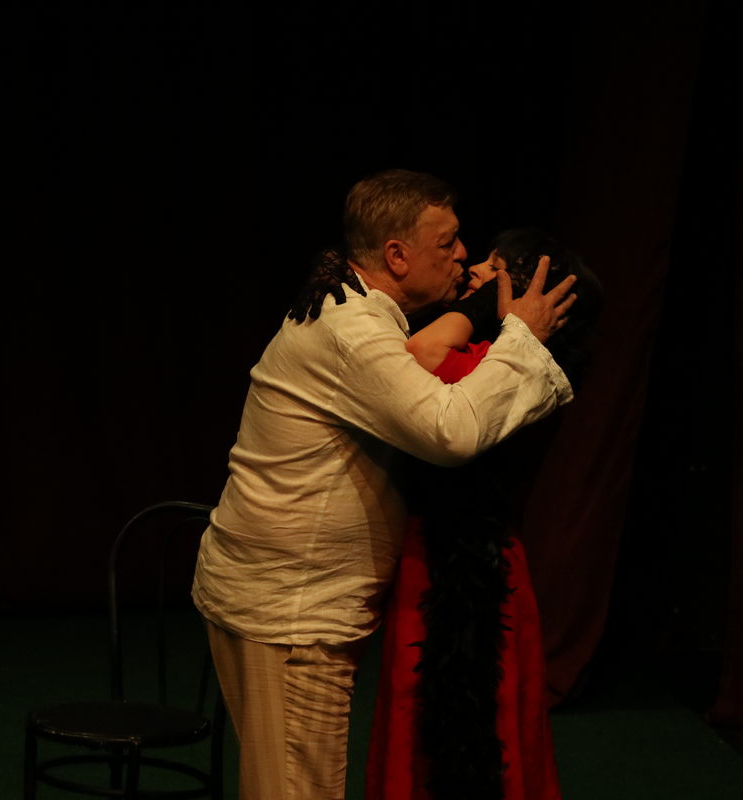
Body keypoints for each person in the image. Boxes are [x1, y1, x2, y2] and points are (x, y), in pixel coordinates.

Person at [191, 170, 578, 800]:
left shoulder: (355, 310)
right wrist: (523, 337)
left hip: (280, 601)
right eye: (447, 242)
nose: (463, 254)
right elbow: (450, 431)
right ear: (397, 255)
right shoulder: (354, 332)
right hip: (291, 615)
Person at [301, 229, 601, 800]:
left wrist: (490, 309)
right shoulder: (498, 355)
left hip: (477, 572)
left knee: (481, 732)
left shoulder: (521, 368)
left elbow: (423, 356)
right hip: (430, 559)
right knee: (424, 726)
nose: (473, 273)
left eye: (493, 269)